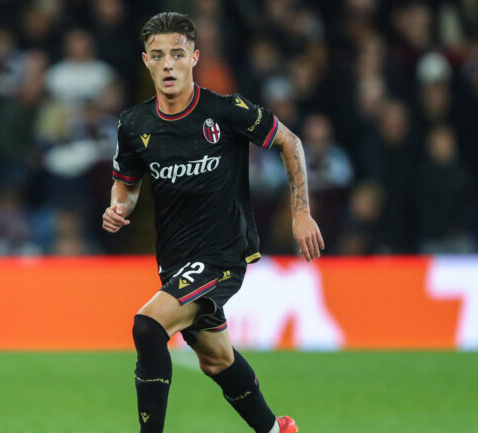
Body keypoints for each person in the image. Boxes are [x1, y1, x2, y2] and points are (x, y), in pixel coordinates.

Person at [101, 12, 324, 433]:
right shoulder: (133, 125)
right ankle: (278, 430)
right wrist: (120, 207)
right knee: (216, 360)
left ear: (194, 58)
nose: (168, 64)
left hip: (223, 255)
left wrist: (300, 212)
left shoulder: (225, 111)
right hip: (175, 261)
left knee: (148, 326)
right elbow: (126, 184)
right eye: (159, 55)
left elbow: (288, 140)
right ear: (146, 61)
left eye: (178, 54)